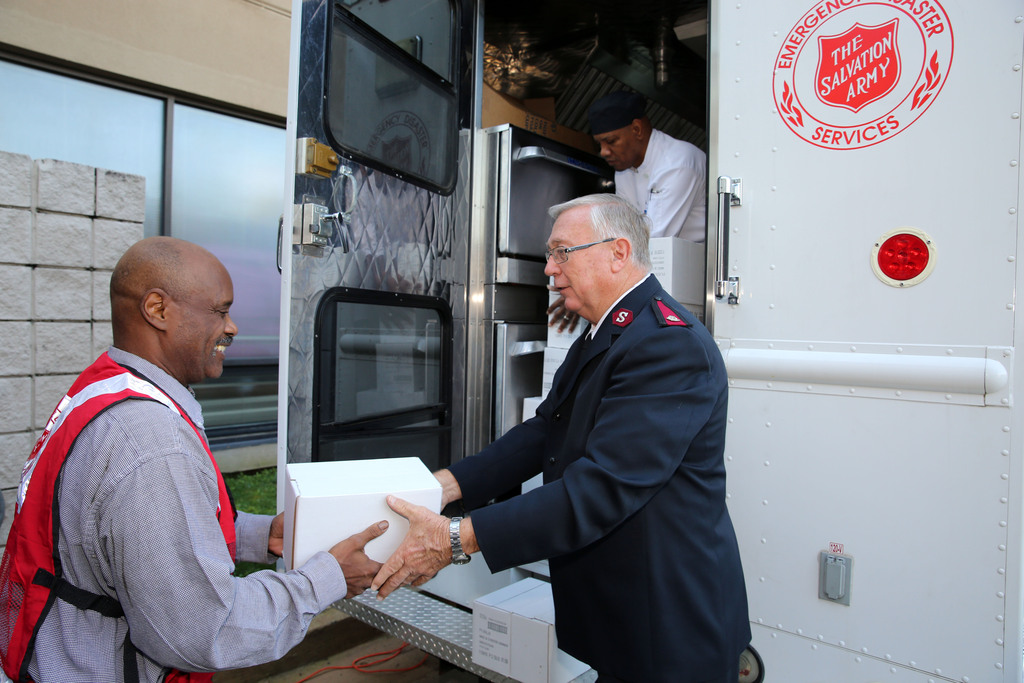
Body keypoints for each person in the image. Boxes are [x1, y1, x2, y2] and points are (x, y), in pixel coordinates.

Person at [372, 194, 750, 683]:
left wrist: (455, 539)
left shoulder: (667, 344)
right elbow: (545, 430)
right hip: (627, 611)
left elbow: (601, 489)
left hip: (668, 620)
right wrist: (447, 485)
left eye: (561, 252)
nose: (549, 269)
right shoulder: (607, 331)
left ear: (618, 252)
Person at [0, 236, 386, 683]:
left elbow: (127, 534)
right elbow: (206, 630)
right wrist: (327, 579)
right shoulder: (149, 440)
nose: (232, 327)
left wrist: (262, 537)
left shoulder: (103, 389)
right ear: (157, 309)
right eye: (220, 311)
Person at [548, 90, 707, 332]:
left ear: (637, 129)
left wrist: (584, 289)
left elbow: (645, 242)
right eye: (599, 143)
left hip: (682, 275)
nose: (603, 152)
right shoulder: (624, 170)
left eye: (611, 141)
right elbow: (619, 233)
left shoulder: (678, 163)